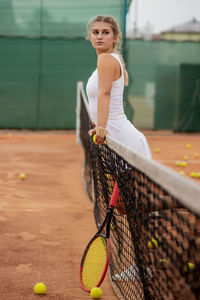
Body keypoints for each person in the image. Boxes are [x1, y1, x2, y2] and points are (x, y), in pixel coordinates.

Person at [86, 15, 151, 159]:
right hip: (114, 139)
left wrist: (101, 127)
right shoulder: (107, 60)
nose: (99, 37)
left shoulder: (106, 58)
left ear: (115, 37)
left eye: (106, 32)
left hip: (124, 142)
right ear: (89, 37)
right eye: (95, 32)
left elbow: (105, 93)